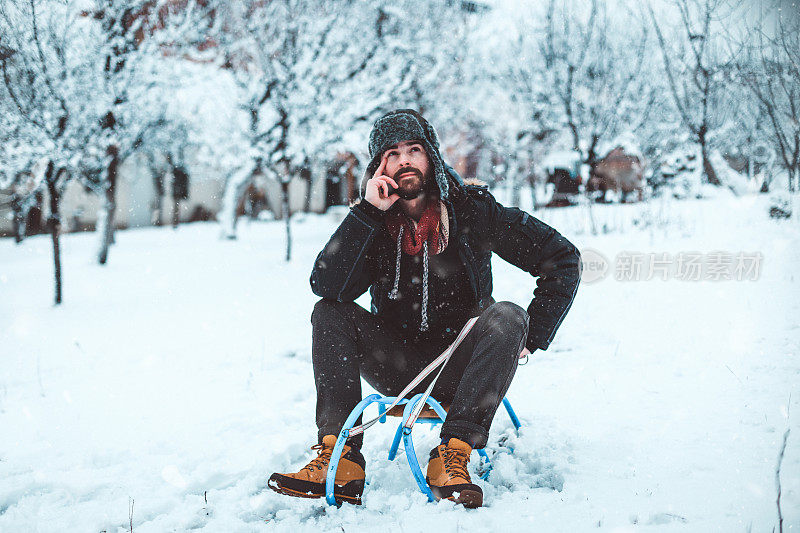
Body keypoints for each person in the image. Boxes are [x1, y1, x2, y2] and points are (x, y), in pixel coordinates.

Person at [268, 109, 582, 508]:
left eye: (414, 149)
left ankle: (452, 456)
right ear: (377, 167)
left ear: (431, 156)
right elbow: (326, 286)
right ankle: (341, 459)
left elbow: (563, 259)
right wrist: (366, 214)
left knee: (508, 315)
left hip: (462, 368)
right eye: (392, 153)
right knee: (329, 312)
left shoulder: (473, 210)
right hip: (395, 366)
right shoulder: (373, 223)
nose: (404, 160)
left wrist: (531, 335)